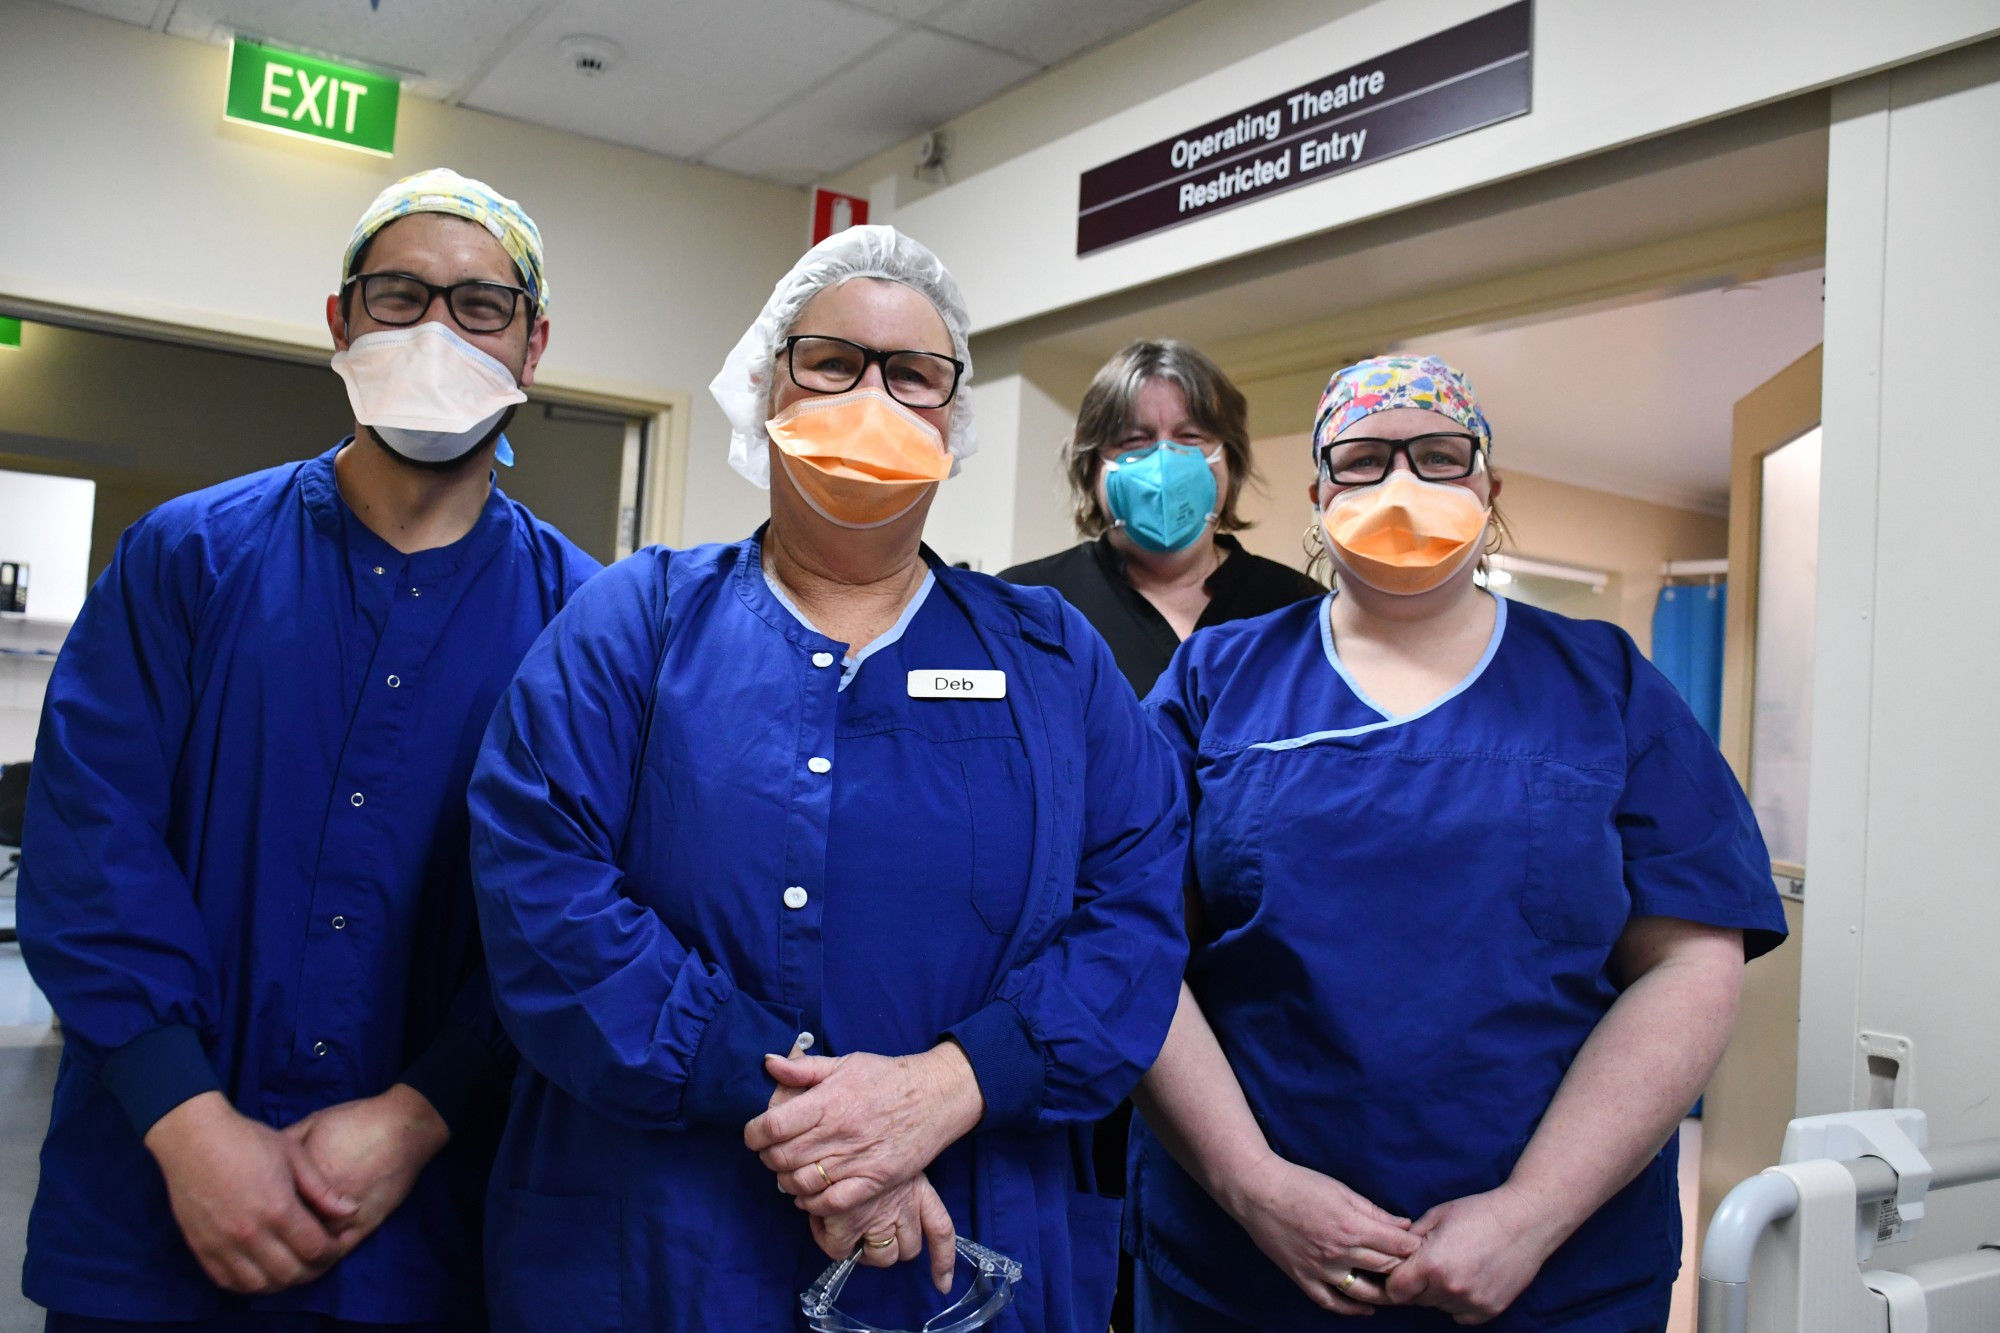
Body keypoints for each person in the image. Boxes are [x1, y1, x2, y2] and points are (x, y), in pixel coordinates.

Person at [466, 225, 1189, 1333]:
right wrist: (817, 1118)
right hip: (662, 1240)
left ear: (954, 420)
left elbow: (1132, 916)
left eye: (912, 373)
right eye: (832, 362)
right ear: (765, 390)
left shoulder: (1049, 659)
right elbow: (541, 889)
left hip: (971, 1240)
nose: (873, 397)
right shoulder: (638, 622)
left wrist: (941, 1089)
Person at [18, 168, 598, 1329]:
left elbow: (573, 914)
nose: (438, 329)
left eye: (480, 306)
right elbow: (92, 843)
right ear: (339, 322)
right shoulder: (186, 559)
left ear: (532, 348)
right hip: (151, 1209)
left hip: (422, 1230)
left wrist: (423, 1109)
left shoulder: (585, 623)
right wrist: (186, 1120)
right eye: (400, 295)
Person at [1126, 355, 1788, 1331]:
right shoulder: (1217, 678)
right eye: (1361, 459)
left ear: (1487, 488)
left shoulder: (1599, 682)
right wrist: (1252, 1185)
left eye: (1439, 456)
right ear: (1316, 494)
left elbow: (1689, 961)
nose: (1402, 484)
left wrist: (1531, 1212)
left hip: (1556, 1274)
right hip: (1244, 1268)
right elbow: (1129, 944)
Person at [1000, 339, 1322, 698]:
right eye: (1135, 440)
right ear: (1092, 466)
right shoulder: (1025, 603)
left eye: (1191, 436)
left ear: (1229, 460)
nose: (1166, 459)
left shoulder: (1297, 608)